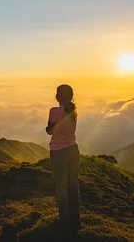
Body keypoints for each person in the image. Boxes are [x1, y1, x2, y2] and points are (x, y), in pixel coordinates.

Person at [45, 84, 81, 231]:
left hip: (59, 151)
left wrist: (51, 127)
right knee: (73, 186)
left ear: (57, 97)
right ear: (71, 96)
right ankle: (76, 219)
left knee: (61, 187)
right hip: (73, 150)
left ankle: (64, 220)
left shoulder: (53, 111)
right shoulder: (73, 112)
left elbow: (50, 131)